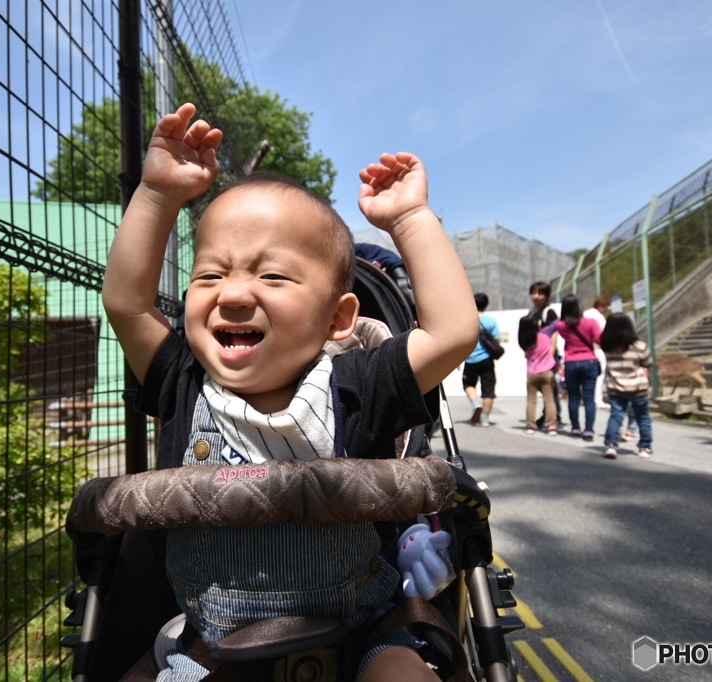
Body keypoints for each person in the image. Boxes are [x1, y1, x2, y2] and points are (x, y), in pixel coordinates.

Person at [101, 103, 478, 682]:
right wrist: (157, 195)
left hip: (362, 634)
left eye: (271, 276)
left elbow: (452, 332)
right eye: (210, 275)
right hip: (211, 648)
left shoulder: (357, 385)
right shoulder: (182, 382)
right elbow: (127, 302)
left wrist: (411, 220)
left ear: (337, 319)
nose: (232, 294)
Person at [600, 313, 654, 459]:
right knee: (643, 417)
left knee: (616, 417)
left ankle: (611, 445)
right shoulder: (640, 346)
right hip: (638, 388)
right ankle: (645, 447)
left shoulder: (607, 347)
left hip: (616, 388)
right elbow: (648, 362)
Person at [555, 293, 602, 440]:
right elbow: (600, 339)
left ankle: (575, 428)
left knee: (573, 397)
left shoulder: (561, 326)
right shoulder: (591, 323)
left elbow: (564, 334)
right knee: (589, 398)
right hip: (589, 361)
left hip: (571, 363)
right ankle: (588, 430)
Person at [527, 281, 561, 429]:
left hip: (547, 357)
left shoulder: (549, 312)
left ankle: (553, 417)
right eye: (534, 293)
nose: (536, 296)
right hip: (534, 357)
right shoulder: (532, 312)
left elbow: (555, 332)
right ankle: (550, 416)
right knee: (540, 388)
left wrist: (551, 353)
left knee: (549, 388)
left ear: (546, 295)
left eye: (540, 293)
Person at [462, 292, 499, 427]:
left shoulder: (467, 320)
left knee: (468, 384)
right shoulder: (490, 321)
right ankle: (485, 419)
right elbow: (497, 339)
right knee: (488, 389)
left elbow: (462, 341)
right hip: (487, 359)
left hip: (470, 359)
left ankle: (475, 403)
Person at [518, 316, 558, 435]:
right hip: (547, 371)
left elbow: (526, 355)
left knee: (531, 400)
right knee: (549, 400)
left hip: (532, 373)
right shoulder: (544, 336)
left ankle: (530, 425)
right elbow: (552, 349)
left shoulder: (524, 341)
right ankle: (551, 426)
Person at [584, 295, 611, 407]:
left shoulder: (585, 314)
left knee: (587, 378)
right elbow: (603, 335)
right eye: (606, 307)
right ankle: (597, 400)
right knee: (599, 376)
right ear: (601, 306)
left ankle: (588, 399)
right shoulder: (599, 318)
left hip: (583, 351)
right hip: (596, 349)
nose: (606, 310)